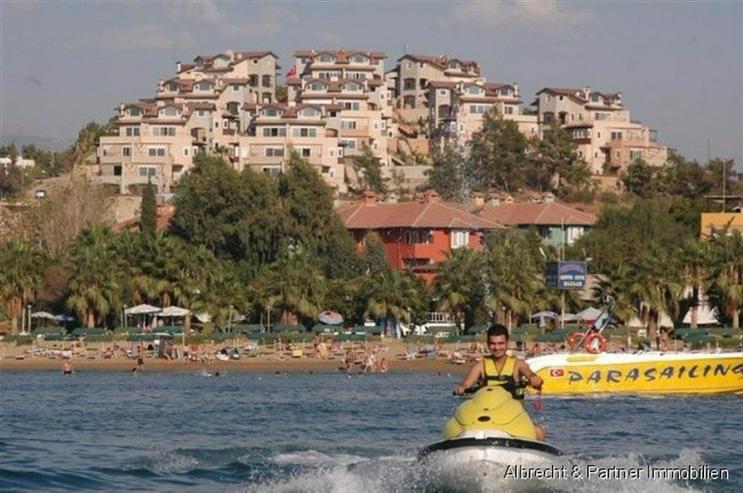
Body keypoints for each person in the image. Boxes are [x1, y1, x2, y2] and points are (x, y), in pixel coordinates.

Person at [454, 324, 545, 441]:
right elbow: (466, 384)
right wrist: (461, 388)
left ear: (507, 343)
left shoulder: (518, 364)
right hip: (487, 416)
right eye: (493, 344)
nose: (497, 348)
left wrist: (534, 379)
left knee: (538, 432)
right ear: (488, 344)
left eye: (501, 343)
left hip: (513, 417)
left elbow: (529, 374)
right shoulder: (481, 365)